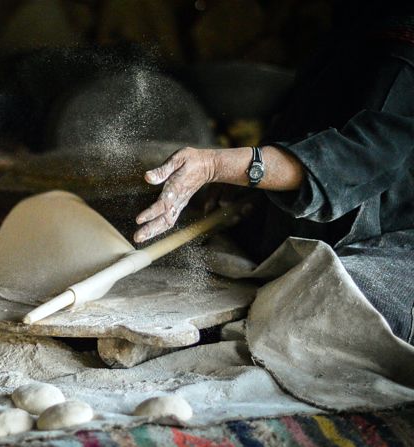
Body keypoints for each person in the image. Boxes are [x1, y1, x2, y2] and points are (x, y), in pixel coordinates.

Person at [135, 0, 414, 343]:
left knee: (319, 310)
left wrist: (217, 165)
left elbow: (363, 153)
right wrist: (249, 182)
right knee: (192, 265)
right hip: (306, 229)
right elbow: (305, 120)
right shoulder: (351, 17)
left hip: (392, 246)